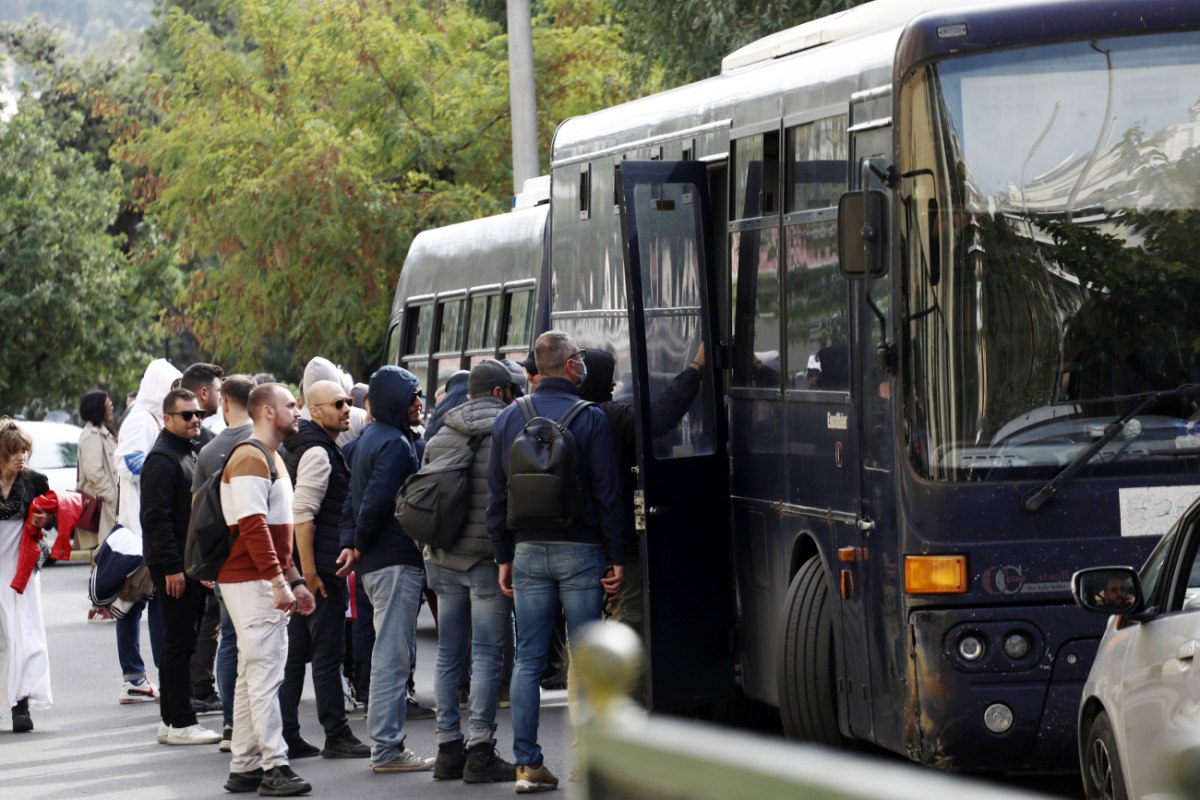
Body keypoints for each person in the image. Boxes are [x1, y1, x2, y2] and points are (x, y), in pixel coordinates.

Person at [487, 331, 627, 793]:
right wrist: (616, 555)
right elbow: (607, 493)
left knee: (528, 660)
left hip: (527, 550)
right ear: (569, 365)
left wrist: (503, 556)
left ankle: (528, 766)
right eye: (580, 358)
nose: (583, 363)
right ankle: (588, 764)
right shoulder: (590, 417)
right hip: (581, 550)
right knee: (586, 659)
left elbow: (496, 495)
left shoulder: (508, 417)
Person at [424, 360, 521, 783]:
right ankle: (480, 749)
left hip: (444, 558)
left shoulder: (441, 432)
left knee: (448, 653)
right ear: (500, 392)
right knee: (486, 654)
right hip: (486, 559)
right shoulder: (509, 430)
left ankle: (448, 749)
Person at [218, 383, 316, 796]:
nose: (299, 411)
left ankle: (245, 765)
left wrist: (293, 579)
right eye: (291, 405)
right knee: (265, 675)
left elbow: (273, 532)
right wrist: (279, 581)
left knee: (252, 674)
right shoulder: (251, 457)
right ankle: (274, 766)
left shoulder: (268, 457)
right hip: (251, 580)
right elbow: (252, 525)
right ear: (268, 412)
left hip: (255, 577)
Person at [342, 365, 435, 773]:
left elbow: (353, 503)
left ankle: (387, 745)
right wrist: (358, 543)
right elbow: (377, 501)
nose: (419, 403)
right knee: (393, 658)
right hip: (394, 560)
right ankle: (387, 748)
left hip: (376, 562)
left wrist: (353, 545)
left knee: (390, 653)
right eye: (412, 395)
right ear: (395, 400)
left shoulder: (367, 439)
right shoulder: (396, 443)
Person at [278, 380, 369, 760]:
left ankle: (287, 733)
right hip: (318, 572)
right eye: (338, 403)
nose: (347, 409)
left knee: (296, 655)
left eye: (348, 401)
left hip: (307, 568)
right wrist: (310, 574)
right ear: (314, 411)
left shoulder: (310, 445)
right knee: (327, 654)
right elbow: (302, 514)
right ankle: (336, 733)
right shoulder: (317, 451)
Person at [141, 388, 222, 746]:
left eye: (198, 414)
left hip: (188, 563)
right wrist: (172, 567)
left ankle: (170, 720)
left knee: (182, 640)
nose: (194, 420)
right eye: (187, 415)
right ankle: (181, 721)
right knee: (180, 642)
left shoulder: (187, 450)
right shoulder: (162, 458)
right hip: (175, 565)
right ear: (167, 418)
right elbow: (155, 518)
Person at [192, 374, 256, 750]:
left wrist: (205, 563)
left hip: (222, 560)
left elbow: (198, 513)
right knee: (257, 644)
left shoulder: (208, 450)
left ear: (226, 402)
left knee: (229, 639)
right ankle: (254, 724)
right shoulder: (262, 441)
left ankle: (231, 723)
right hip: (257, 560)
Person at [0, 418, 54, 733]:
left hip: (21, 568)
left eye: (24, 450)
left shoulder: (35, 481)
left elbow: (52, 517)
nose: (21, 457)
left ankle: (20, 705)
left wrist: (46, 518)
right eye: (14, 451)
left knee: (24, 635)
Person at [180, 363, 226, 719]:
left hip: (190, 545)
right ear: (205, 393)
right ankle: (200, 689)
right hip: (195, 546)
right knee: (206, 621)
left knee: (201, 620)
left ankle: (195, 687)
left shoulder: (199, 439)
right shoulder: (204, 442)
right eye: (219, 391)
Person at [78, 390, 120, 622]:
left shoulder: (104, 432)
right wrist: (111, 496)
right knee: (104, 554)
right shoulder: (91, 435)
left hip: (109, 504)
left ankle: (104, 603)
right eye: (108, 404)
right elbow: (93, 471)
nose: (111, 408)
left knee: (108, 553)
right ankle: (99, 605)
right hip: (103, 505)